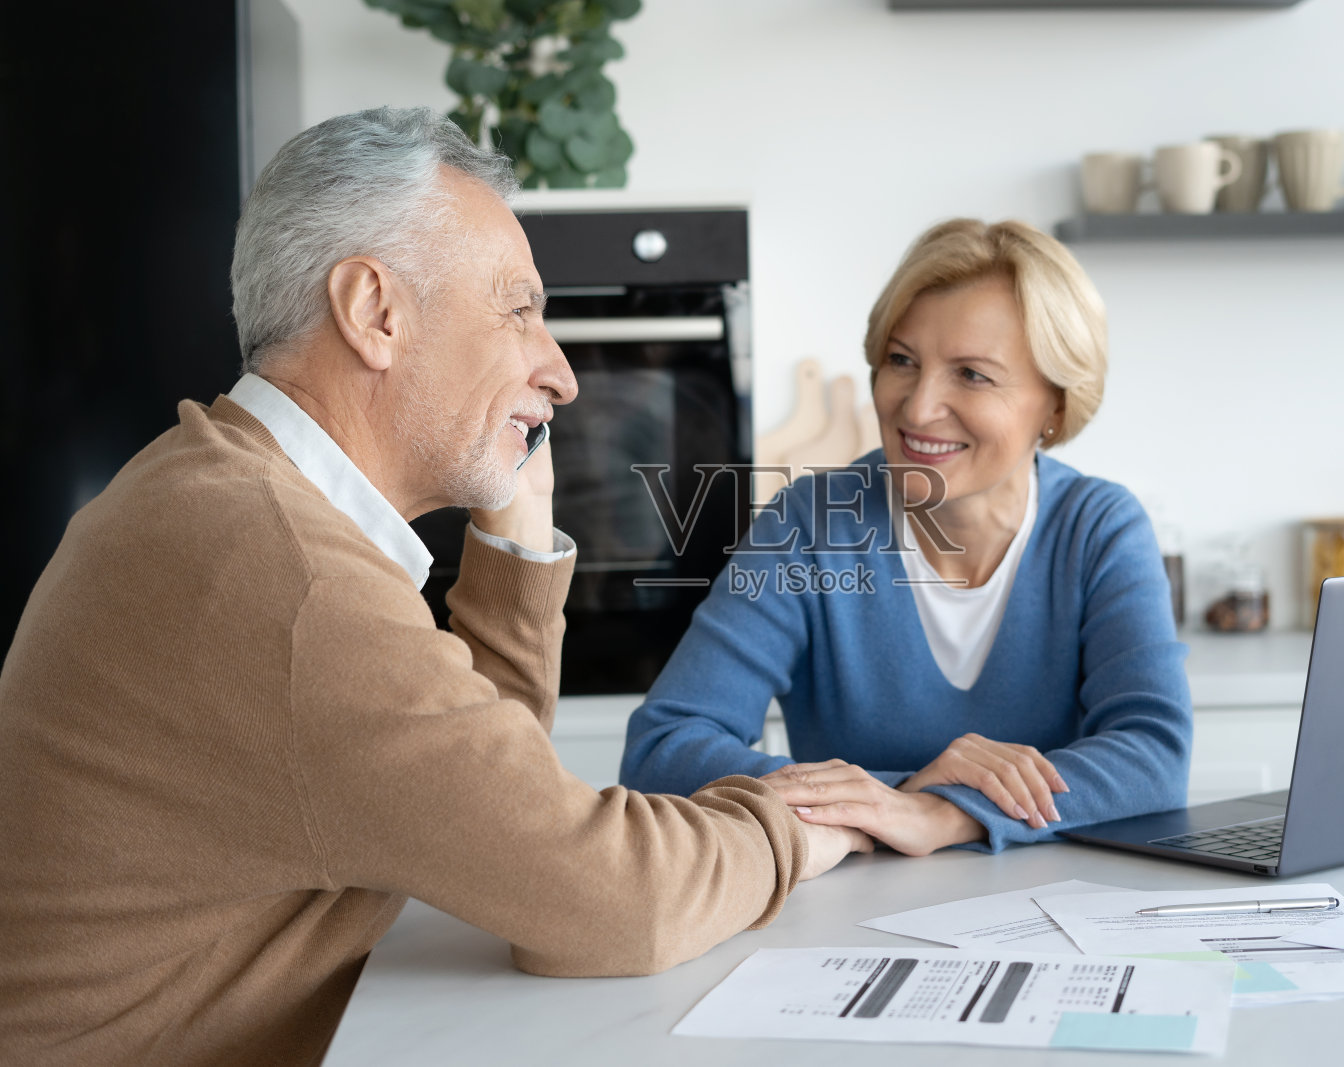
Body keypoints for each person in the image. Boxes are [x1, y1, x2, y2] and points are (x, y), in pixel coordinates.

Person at [0, 107, 866, 1066]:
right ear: (376, 311)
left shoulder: (215, 490)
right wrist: (786, 822)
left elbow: (487, 815)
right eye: (520, 309)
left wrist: (517, 540)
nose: (563, 374)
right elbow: (604, 902)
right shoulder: (284, 579)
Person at [621, 218, 1191, 856]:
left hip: (1056, 914)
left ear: (1055, 406)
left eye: (971, 374)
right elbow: (663, 748)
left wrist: (944, 814)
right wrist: (891, 798)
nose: (918, 409)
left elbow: (1154, 759)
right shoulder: (810, 526)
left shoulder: (1099, 529)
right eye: (902, 361)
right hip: (848, 921)